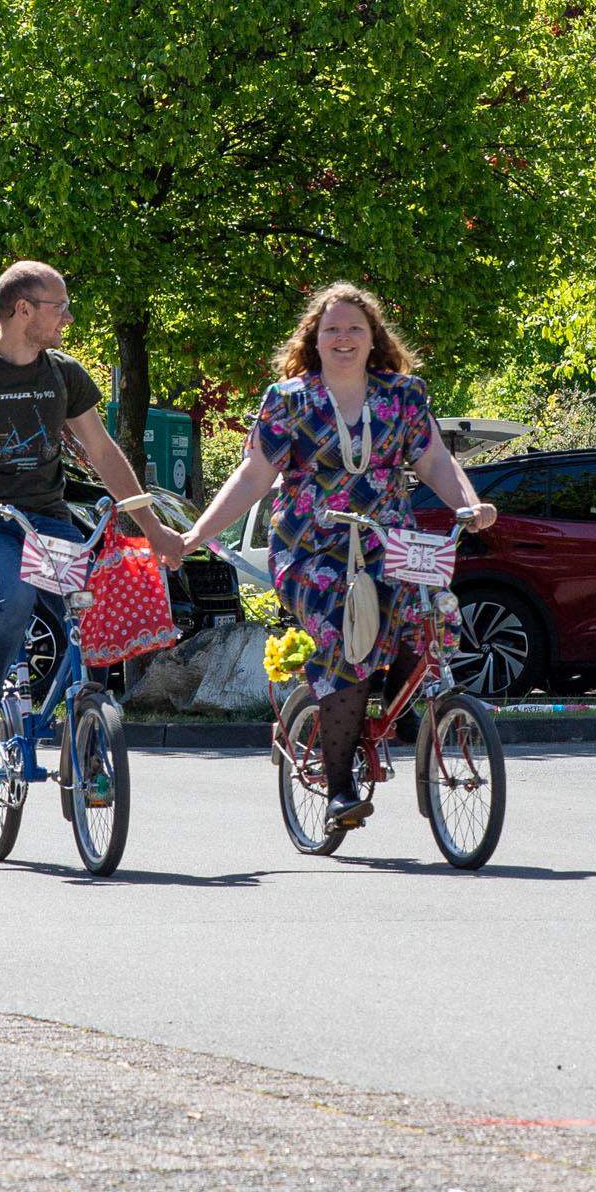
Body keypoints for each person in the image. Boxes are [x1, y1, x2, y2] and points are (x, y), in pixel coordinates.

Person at [180, 281, 497, 832]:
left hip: (387, 538)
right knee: (344, 640)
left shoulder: (404, 395)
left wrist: (471, 505)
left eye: (354, 328)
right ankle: (341, 787)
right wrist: (195, 535)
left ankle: (405, 719)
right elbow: (255, 473)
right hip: (312, 548)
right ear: (316, 338)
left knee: (430, 620)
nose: (343, 338)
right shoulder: (290, 399)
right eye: (332, 329)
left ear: (373, 337)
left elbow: (434, 462)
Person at [0, 261, 185, 774]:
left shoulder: (64, 373)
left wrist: (154, 529)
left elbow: (104, 452)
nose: (67, 317)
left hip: (47, 520)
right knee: (16, 595)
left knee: (90, 605)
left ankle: (85, 719)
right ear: (23, 310)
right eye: (59, 306)